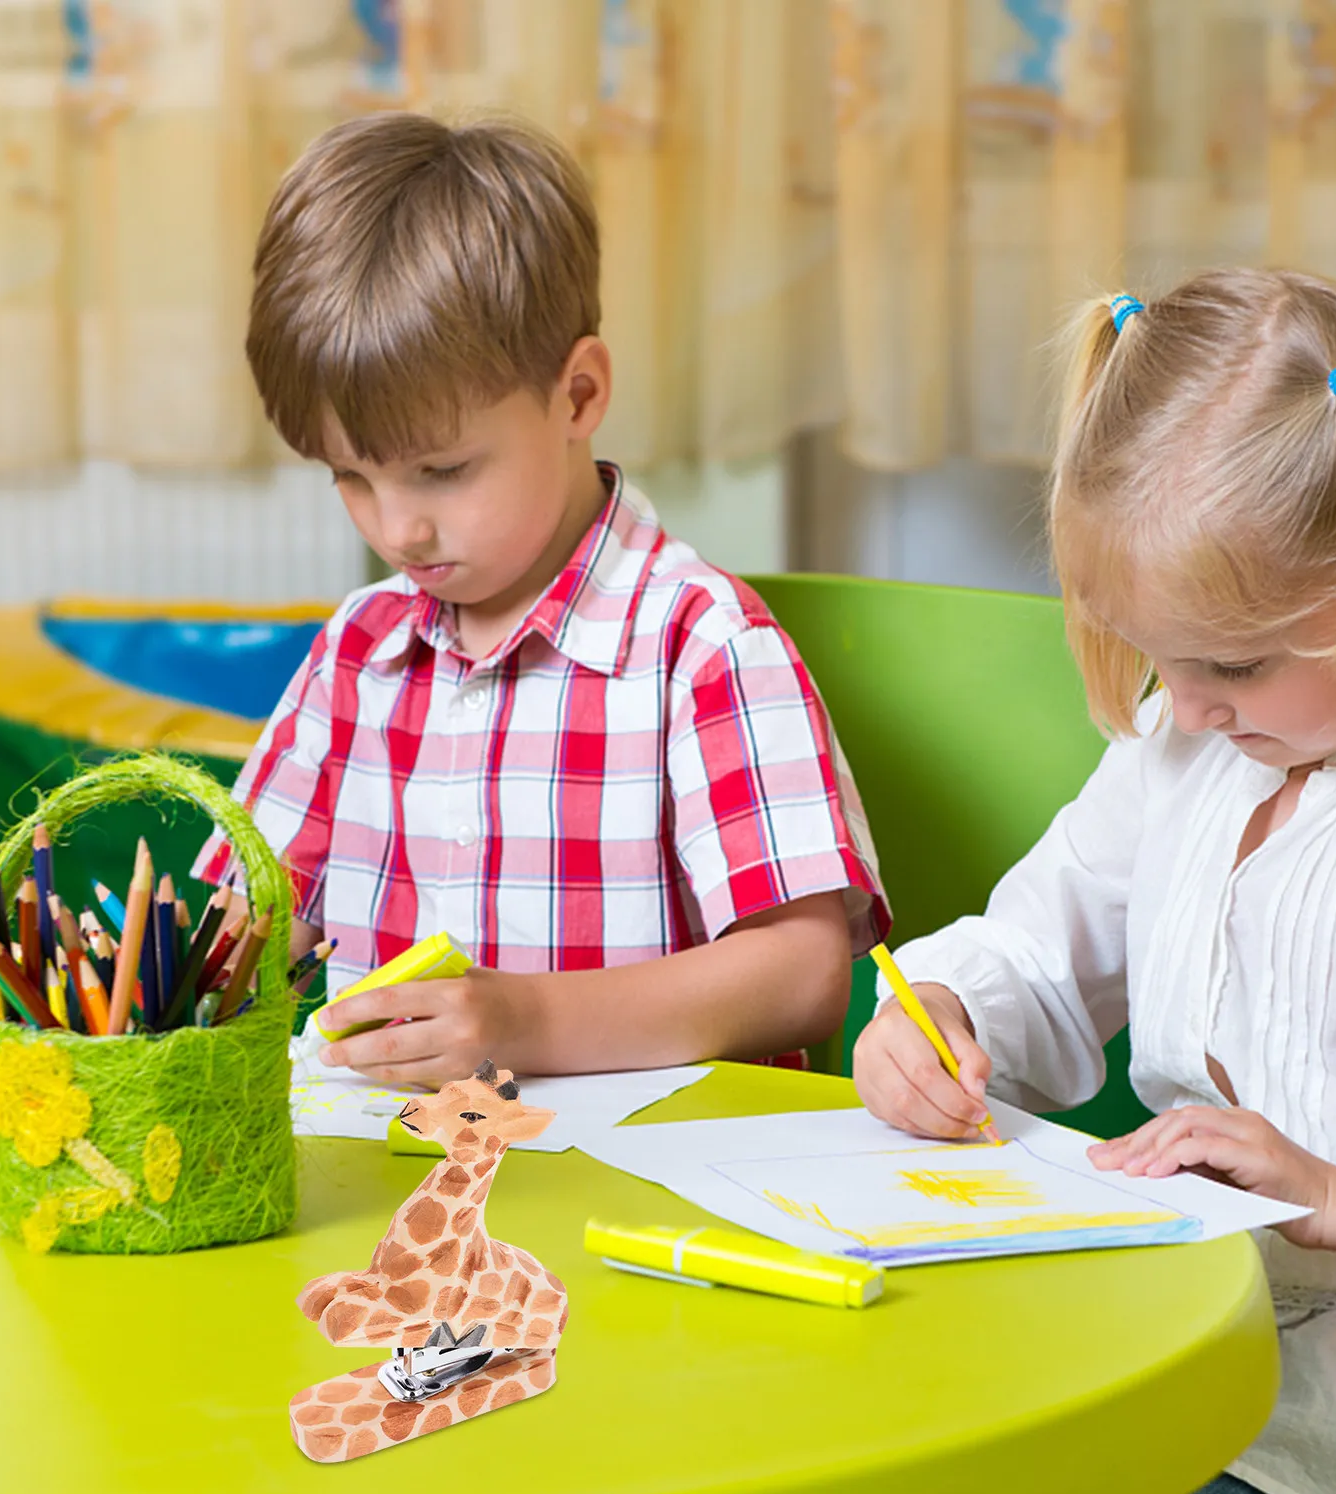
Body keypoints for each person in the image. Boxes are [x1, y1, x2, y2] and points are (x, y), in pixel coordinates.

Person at [856, 269, 1336, 1494]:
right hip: (1178, 1338)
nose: (1181, 707)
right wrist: (943, 1013)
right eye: (1153, 654)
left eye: (1231, 664)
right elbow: (1043, 943)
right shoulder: (1191, 746)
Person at [195, 111, 886, 1085]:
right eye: (350, 476)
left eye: (442, 470)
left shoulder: (699, 645)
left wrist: (528, 1022)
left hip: (646, 1168)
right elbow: (242, 932)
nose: (397, 530)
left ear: (579, 395)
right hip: (399, 1161)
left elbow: (803, 975)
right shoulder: (358, 651)